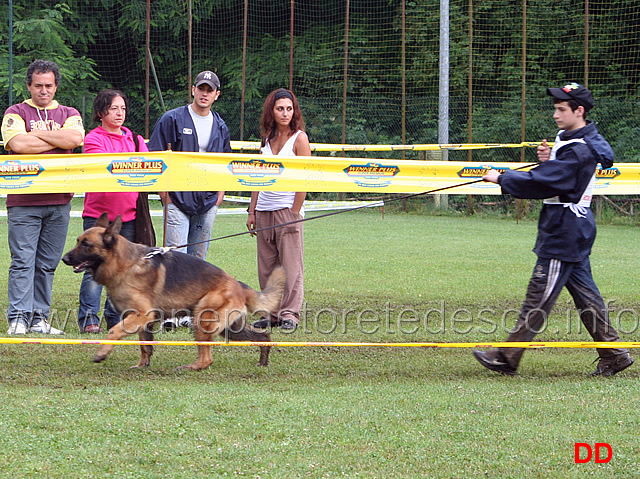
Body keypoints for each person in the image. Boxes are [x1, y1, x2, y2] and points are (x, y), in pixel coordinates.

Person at [473, 82, 634, 377]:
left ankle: (506, 357)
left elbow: (547, 182)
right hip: (570, 229)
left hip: (565, 232)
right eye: (556, 108)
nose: (555, 115)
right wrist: (549, 161)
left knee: (539, 295)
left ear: (579, 111)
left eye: (561, 109)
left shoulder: (581, 150)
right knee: (587, 297)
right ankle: (614, 355)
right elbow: (558, 175)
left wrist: (502, 178)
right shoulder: (571, 140)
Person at [1, 59, 84, 335]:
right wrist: (56, 137)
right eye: (38, 85)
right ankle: (18, 318)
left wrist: (39, 135)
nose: (44, 90)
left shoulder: (70, 112)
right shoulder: (15, 111)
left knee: (47, 264)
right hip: (23, 201)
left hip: (59, 201)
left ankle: (39, 318)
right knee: (23, 261)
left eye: (49, 85)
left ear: (56, 86)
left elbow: (74, 140)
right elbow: (18, 144)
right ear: (29, 85)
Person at [148, 70, 229, 330]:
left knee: (199, 258)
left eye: (210, 90)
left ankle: (190, 311)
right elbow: (157, 156)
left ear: (217, 94)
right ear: (192, 89)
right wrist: (165, 195)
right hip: (178, 199)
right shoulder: (172, 118)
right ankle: (168, 312)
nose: (204, 94)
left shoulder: (220, 124)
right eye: (201, 88)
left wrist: (220, 194)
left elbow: (224, 162)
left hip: (207, 199)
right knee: (173, 256)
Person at [77, 89, 149, 333]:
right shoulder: (93, 138)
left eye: (123, 109)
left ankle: (114, 318)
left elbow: (149, 169)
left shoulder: (135, 139)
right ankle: (88, 319)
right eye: (114, 108)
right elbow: (104, 166)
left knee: (121, 270)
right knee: (93, 266)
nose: (120, 113)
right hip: (98, 217)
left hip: (128, 216)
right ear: (101, 112)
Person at [246, 88, 311, 331]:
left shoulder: (300, 139)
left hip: (287, 210)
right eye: (280, 108)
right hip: (264, 210)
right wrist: (252, 211)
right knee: (267, 267)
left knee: (291, 266)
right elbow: (257, 178)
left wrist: (295, 212)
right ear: (271, 112)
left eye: (289, 108)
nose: (285, 113)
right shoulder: (266, 139)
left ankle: (289, 314)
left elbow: (304, 179)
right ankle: (270, 313)